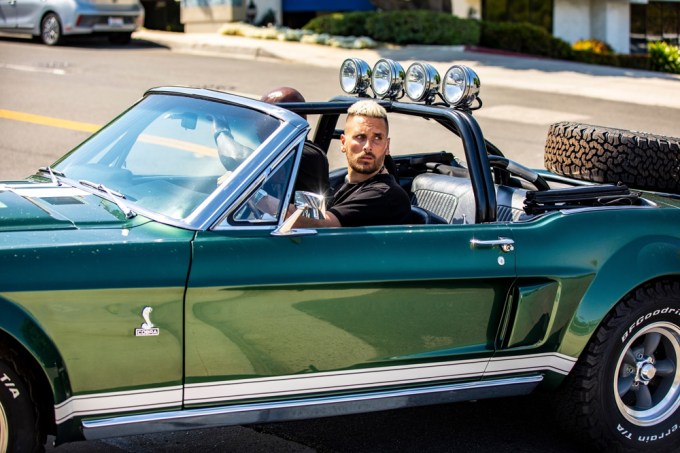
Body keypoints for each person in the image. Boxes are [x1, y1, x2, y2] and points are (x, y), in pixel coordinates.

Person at [292, 99, 411, 228]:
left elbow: (324, 224)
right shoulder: (342, 185)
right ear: (343, 142)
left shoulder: (387, 195)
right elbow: (314, 212)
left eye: (377, 138)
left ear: (387, 146)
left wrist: (269, 203)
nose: (368, 146)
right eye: (360, 137)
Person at [260, 87, 330, 197]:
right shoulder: (267, 147)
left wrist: (224, 131)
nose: (259, 121)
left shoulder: (304, 154)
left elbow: (233, 157)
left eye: (265, 115)